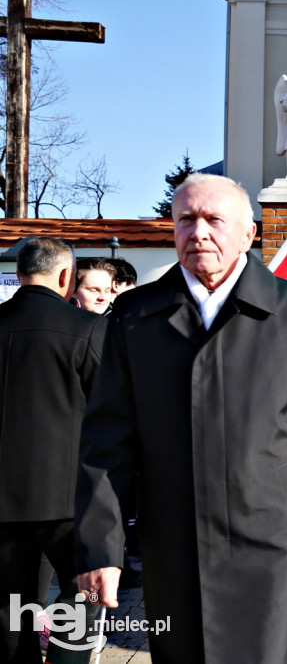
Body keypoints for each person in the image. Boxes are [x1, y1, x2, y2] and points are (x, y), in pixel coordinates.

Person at [75, 174, 287, 663]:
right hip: (172, 540)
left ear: (249, 233)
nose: (197, 232)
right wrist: (101, 549)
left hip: (266, 538)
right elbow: (106, 441)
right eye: (186, 220)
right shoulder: (134, 316)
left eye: (213, 220)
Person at [0, 238, 107, 663]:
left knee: (10, 610)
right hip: (70, 496)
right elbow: (112, 412)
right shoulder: (88, 329)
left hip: (3, 501)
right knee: (84, 594)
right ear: (66, 277)